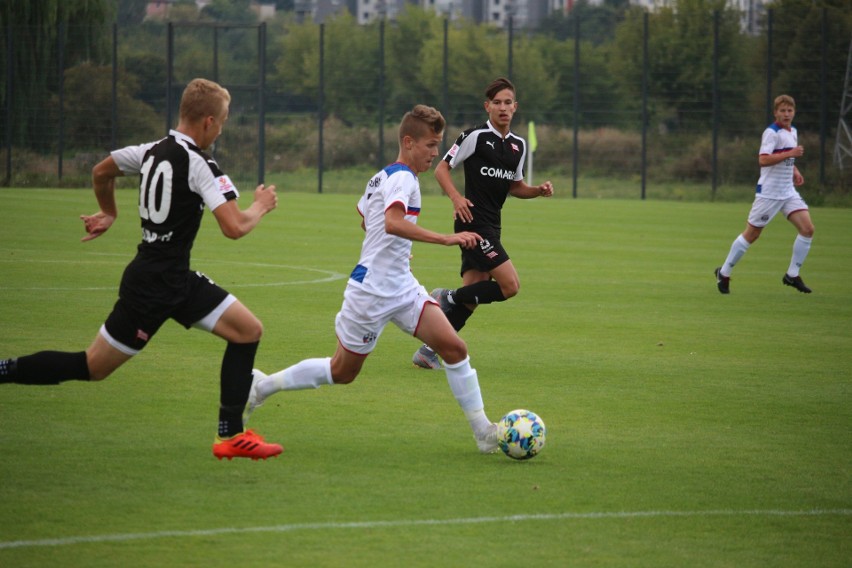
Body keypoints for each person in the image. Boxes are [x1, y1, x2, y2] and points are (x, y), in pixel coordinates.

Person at [0, 78, 283, 461]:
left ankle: (231, 435)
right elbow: (234, 227)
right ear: (208, 122)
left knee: (248, 330)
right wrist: (261, 206)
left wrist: (109, 212)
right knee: (93, 367)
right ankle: (5, 369)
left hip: (169, 277)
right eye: (223, 121)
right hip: (154, 287)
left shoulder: (149, 151)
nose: (222, 129)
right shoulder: (201, 164)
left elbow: (102, 171)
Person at [245, 105, 500, 453]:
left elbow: (368, 219)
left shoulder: (381, 176)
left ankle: (483, 432)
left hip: (402, 285)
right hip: (372, 291)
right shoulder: (402, 179)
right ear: (409, 142)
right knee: (342, 371)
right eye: (430, 144)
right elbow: (392, 222)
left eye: (438, 144)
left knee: (454, 348)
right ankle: (261, 387)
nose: (435, 152)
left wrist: (396, 247)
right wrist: (447, 238)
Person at [411, 77, 554, 370]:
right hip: (472, 223)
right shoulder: (474, 136)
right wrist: (456, 198)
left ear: (515, 107)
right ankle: (445, 296)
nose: (503, 108)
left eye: (508, 102)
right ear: (487, 106)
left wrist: (537, 191)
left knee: (472, 297)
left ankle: (428, 352)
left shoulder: (518, 145)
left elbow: (516, 187)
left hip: (493, 225)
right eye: (497, 103)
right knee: (510, 285)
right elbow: (441, 170)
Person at [714, 94, 815, 295]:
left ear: (794, 112)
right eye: (782, 111)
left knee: (808, 229)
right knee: (752, 235)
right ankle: (724, 272)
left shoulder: (793, 131)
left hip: (787, 191)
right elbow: (764, 160)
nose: (786, 114)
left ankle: (792, 275)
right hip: (769, 193)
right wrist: (790, 154)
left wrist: (794, 170)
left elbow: (786, 157)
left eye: (790, 110)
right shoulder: (771, 133)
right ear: (775, 113)